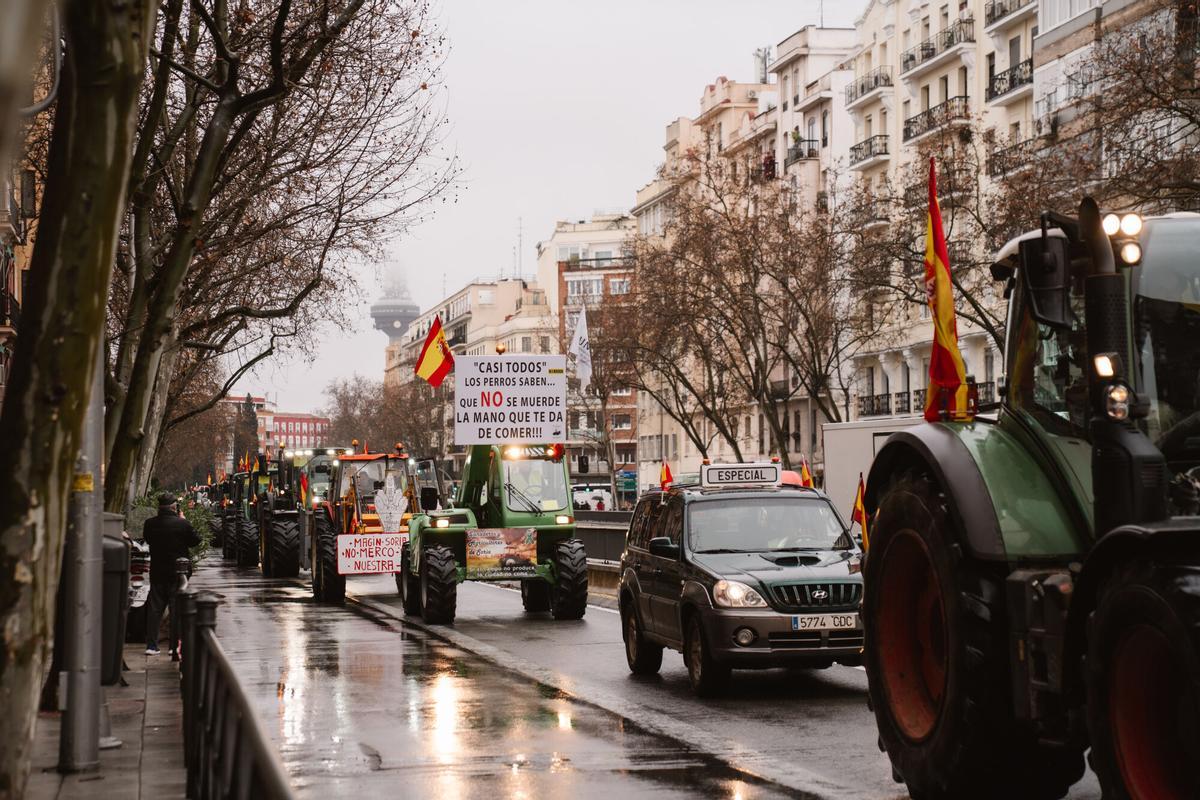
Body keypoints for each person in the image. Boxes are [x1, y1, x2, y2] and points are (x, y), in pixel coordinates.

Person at [142, 493, 199, 655]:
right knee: (176, 610)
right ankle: (174, 646)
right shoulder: (182, 524)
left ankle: (151, 646)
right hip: (177, 574)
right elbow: (195, 540)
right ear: (174, 508)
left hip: (158, 572)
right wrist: (183, 520)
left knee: (154, 610)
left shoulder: (150, 524)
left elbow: (148, 539)